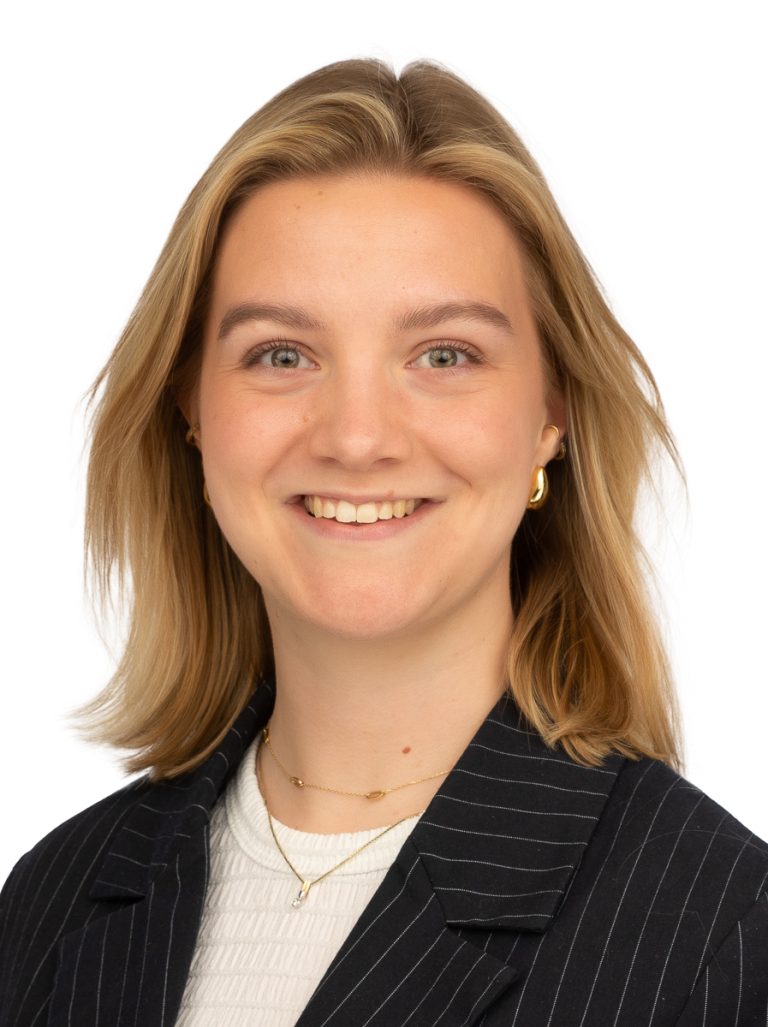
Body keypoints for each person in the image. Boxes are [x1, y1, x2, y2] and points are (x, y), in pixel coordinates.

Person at [1, 57, 766, 1027]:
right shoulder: (48, 907)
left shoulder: (718, 935)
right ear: (191, 406)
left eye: (444, 354)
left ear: (552, 412)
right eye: (282, 353)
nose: (358, 437)